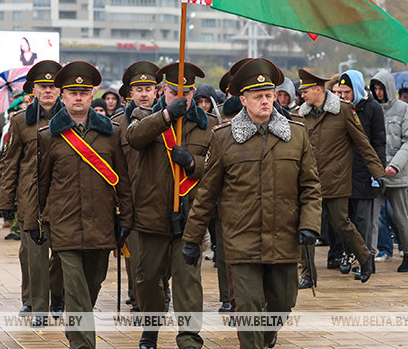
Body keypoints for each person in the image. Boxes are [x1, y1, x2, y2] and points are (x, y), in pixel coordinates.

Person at [182, 58, 321, 349]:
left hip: (283, 237)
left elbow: (310, 186)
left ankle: (267, 334)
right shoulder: (223, 138)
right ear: (243, 100)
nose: (265, 101)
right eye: (258, 97)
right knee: (248, 309)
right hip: (241, 240)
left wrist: (309, 224)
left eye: (269, 95)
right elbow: (207, 192)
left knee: (283, 302)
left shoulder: (296, 134)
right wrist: (192, 239)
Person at [36, 61, 132, 345]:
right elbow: (40, 184)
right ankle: (83, 343)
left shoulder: (112, 135)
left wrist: (125, 220)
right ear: (63, 96)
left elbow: (123, 182)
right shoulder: (48, 137)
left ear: (92, 96)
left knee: (91, 286)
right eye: (72, 92)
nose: (78, 97)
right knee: (76, 289)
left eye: (84, 92)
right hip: (64, 226)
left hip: (101, 226)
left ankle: (74, 322)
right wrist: (35, 221)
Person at [127, 62, 217, 349]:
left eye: (187, 92)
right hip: (151, 213)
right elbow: (135, 138)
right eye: (175, 91)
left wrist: (193, 163)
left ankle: (189, 337)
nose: (182, 97)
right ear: (163, 90)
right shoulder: (146, 116)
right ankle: (150, 330)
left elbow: (217, 167)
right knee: (148, 278)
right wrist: (166, 116)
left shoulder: (209, 125)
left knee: (187, 280)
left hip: (190, 215)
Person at [0, 60, 65, 321]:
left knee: (61, 253)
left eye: (53, 86)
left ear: (60, 90)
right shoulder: (21, 121)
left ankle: (57, 295)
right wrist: (3, 200)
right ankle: (36, 304)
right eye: (42, 86)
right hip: (31, 196)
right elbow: (10, 163)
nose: (48, 91)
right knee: (31, 254)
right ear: (33, 90)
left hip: (62, 196)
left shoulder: (69, 119)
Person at [296, 69, 383, 287]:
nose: (302, 94)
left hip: (335, 180)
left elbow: (363, 143)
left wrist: (377, 172)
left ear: (318, 89)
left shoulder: (344, 111)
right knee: (306, 227)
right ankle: (308, 274)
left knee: (341, 223)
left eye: (305, 90)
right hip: (309, 182)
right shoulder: (301, 115)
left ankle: (365, 259)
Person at [112, 61, 169, 313]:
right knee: (134, 257)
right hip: (129, 202)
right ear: (130, 94)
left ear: (157, 91)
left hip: (160, 203)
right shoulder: (116, 125)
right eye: (139, 90)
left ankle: (160, 293)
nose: (144, 94)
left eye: (149, 88)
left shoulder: (170, 121)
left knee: (161, 262)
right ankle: (140, 302)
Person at [369, 71, 408, 272]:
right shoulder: (371, 109)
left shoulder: (403, 109)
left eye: (381, 89)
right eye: (375, 89)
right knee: (372, 217)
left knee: (400, 216)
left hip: (396, 173)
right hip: (376, 173)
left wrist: (395, 165)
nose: (378, 93)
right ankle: (369, 257)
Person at [343, 69, 387, 280]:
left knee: (364, 221)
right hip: (345, 171)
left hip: (365, 172)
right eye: (342, 93)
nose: (344, 96)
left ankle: (366, 261)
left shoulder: (373, 109)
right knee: (346, 219)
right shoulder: (343, 108)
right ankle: (350, 255)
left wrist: (377, 172)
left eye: (347, 92)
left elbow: (378, 142)